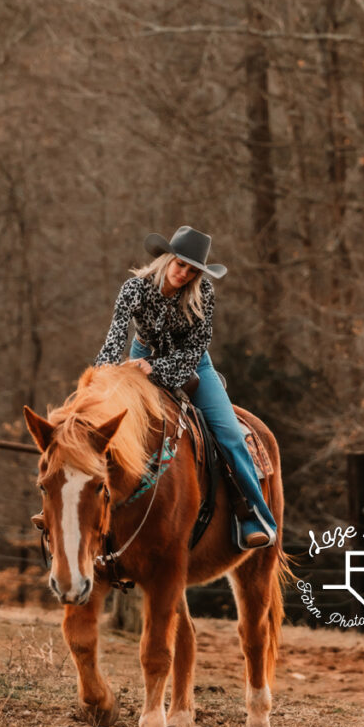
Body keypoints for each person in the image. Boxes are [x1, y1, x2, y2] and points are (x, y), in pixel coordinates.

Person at [95, 225, 277, 549]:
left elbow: (194, 350)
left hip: (191, 363)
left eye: (193, 270)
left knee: (230, 434)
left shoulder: (203, 294)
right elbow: (113, 340)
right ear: (167, 259)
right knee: (105, 424)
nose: (184, 274)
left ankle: (253, 515)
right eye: (180, 265)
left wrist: (156, 367)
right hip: (142, 354)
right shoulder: (134, 289)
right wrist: (102, 378)